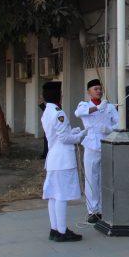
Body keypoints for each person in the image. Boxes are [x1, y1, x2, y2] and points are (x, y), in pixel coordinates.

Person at [41, 81, 87, 242]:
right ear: (58, 94)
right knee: (60, 195)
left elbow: (59, 135)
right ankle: (61, 231)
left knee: (53, 195)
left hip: (54, 158)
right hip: (62, 160)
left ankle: (54, 229)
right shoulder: (58, 113)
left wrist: (72, 132)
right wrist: (79, 136)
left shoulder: (47, 111)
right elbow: (65, 138)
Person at [74, 79, 119, 224]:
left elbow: (119, 123)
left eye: (100, 89)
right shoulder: (84, 105)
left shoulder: (110, 107)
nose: (98, 91)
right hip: (92, 146)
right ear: (89, 92)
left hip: (107, 143)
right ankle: (93, 210)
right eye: (95, 89)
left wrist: (109, 129)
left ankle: (104, 208)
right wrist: (98, 108)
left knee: (105, 178)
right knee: (92, 179)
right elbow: (78, 113)